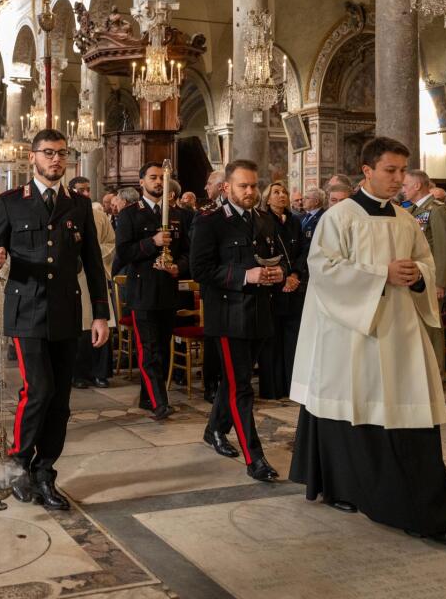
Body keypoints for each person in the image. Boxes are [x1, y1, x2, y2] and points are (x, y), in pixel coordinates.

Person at [290, 137, 446, 545]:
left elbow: (426, 262)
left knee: (410, 415)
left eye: (403, 171)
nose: (399, 179)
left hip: (400, 331)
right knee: (352, 413)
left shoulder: (405, 219)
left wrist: (419, 275)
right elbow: (323, 270)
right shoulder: (339, 217)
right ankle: (345, 488)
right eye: (391, 170)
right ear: (367, 171)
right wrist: (379, 274)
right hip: (354, 334)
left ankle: (420, 508)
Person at [0, 129, 109, 509]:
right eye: (49, 153)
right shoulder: (11, 202)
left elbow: (93, 263)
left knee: (60, 400)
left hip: (66, 311)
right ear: (32, 157)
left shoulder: (79, 205)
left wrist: (101, 315)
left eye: (62, 153)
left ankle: (44, 472)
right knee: (38, 389)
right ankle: (18, 464)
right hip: (26, 309)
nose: (56, 159)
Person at [190, 159, 282, 481]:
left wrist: (279, 272)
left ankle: (214, 429)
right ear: (227, 187)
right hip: (229, 316)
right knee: (242, 387)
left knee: (234, 380)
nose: (250, 191)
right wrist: (245, 275)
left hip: (260, 313)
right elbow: (200, 270)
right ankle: (255, 458)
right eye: (243, 186)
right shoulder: (210, 222)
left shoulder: (264, 220)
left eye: (254, 185)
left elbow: (277, 257)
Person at [113, 162, 190, 419]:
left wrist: (178, 267)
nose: (158, 182)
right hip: (142, 290)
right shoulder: (130, 214)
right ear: (141, 182)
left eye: (161, 178)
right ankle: (160, 402)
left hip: (168, 290)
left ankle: (148, 398)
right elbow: (124, 252)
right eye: (153, 177)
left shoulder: (178, 214)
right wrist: (152, 242)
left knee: (163, 348)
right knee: (149, 349)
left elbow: (188, 251)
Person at [402, 169, 446, 370]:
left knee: (432, 325)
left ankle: (436, 371)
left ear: (417, 186)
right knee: (418, 326)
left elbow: (444, 248)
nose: (402, 189)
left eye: (405, 185)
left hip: (430, 278)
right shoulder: (411, 211)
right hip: (415, 277)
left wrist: (440, 282)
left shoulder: (437, 210)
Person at [259, 180, 305, 400]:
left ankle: (292, 387)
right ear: (267, 199)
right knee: (273, 340)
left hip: (294, 285)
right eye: (276, 192)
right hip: (273, 286)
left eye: (284, 191)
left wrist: (295, 275)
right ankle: (273, 388)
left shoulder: (295, 221)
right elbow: (264, 254)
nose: (282, 195)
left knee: (293, 340)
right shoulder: (262, 220)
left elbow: (303, 251)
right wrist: (283, 277)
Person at [74, 189, 115, 389]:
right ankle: (79, 374)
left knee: (100, 322)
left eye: (88, 189)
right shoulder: (66, 214)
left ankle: (101, 372)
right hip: (74, 278)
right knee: (80, 327)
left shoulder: (99, 216)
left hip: (94, 275)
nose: (85, 192)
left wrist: (94, 255)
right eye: (80, 189)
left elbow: (111, 243)